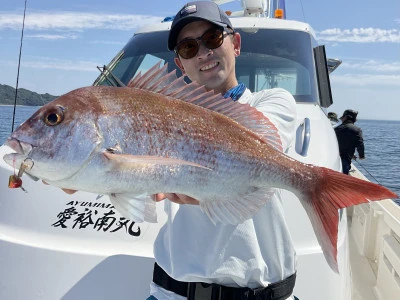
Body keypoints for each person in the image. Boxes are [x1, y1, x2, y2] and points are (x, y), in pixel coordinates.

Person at [150, 1, 298, 299]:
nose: (204, 53)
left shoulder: (273, 102)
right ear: (180, 63)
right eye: (189, 48)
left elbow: (255, 144)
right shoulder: (162, 118)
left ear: (236, 43)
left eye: (213, 39)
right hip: (172, 294)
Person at [334, 109, 365, 175]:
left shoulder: (336, 129)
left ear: (345, 117)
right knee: (344, 176)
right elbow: (360, 144)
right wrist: (361, 155)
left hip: (334, 158)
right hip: (346, 159)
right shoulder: (357, 130)